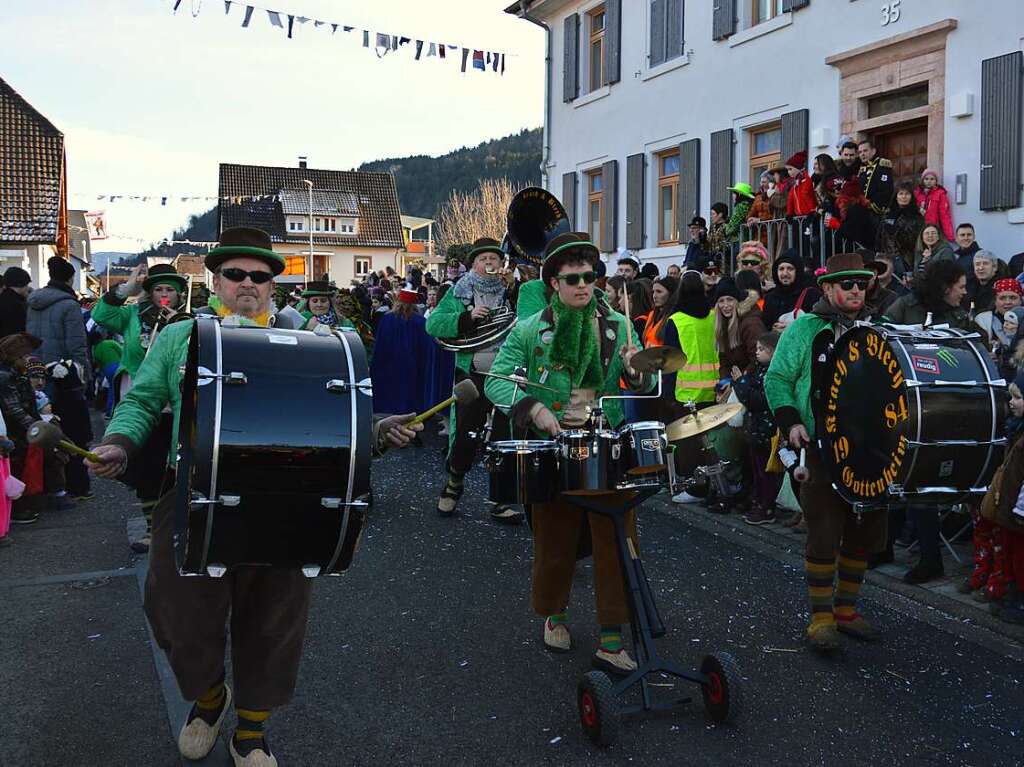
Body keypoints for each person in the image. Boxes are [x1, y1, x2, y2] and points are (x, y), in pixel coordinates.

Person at [85, 226, 422, 767]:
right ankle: (210, 697)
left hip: (288, 494)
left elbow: (343, 412)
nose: (248, 283)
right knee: (172, 608)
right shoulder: (179, 336)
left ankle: (252, 731)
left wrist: (378, 431)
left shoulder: (309, 338)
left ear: (273, 285)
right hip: (193, 486)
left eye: (260, 276)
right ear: (216, 281)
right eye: (235, 274)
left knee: (274, 616)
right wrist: (120, 443)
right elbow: (144, 399)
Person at [483, 231, 650, 675]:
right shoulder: (529, 328)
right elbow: (496, 380)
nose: (582, 285)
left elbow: (641, 385)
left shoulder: (620, 324)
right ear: (553, 282)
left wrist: (636, 372)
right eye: (572, 277)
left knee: (616, 538)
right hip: (553, 445)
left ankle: (612, 638)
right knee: (555, 540)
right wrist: (532, 408)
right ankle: (555, 614)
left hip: (606, 441)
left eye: (590, 276)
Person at [765, 252, 885, 651]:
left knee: (863, 533)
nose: (855, 290)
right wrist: (791, 422)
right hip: (819, 448)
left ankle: (846, 610)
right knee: (824, 532)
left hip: (868, 452)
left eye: (860, 284)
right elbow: (777, 378)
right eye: (846, 284)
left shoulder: (876, 329)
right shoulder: (804, 331)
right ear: (828, 289)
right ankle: (821, 619)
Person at [424, 237, 521, 523]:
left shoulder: (511, 290)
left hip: (506, 374)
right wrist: (467, 317)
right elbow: (433, 324)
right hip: (473, 373)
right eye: (483, 260)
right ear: (473, 265)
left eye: (494, 259)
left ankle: (500, 499)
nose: (489, 264)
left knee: (505, 437)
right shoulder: (459, 291)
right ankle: (453, 485)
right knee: (467, 432)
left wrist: (515, 289)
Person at [26, 256, 92, 502]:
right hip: (64, 375)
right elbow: (77, 345)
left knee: (44, 429)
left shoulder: (33, 303)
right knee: (73, 430)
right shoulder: (69, 305)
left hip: (36, 372)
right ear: (70, 278)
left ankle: (48, 487)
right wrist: (83, 376)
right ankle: (77, 486)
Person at [664, 272, 719, 504]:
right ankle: (716, 485)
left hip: (686, 391)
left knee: (688, 443)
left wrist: (667, 393)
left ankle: (696, 488)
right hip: (714, 388)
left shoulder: (675, 320)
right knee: (711, 442)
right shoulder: (714, 315)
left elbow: (670, 358)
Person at [734, 331, 782, 526]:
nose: (757, 353)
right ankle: (758, 501)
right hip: (757, 430)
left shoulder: (772, 373)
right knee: (757, 469)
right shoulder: (760, 370)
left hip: (767, 431)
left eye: (761, 349)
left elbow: (757, 400)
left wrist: (740, 381)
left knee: (766, 472)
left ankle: (767, 507)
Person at [370, 287, 431, 415]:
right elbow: (426, 349)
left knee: (389, 397)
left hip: (388, 365)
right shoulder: (421, 322)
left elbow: (380, 346)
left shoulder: (387, 320)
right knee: (409, 396)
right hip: (412, 366)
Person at [712, 277, 765, 381]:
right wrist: (725, 381)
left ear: (738, 301)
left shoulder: (751, 324)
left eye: (730, 300)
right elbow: (724, 361)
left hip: (752, 383)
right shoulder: (724, 323)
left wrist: (743, 379)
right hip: (736, 382)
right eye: (721, 301)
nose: (726, 305)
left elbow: (758, 358)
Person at [762, 249, 820, 331]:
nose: (785, 273)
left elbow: (817, 325)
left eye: (790, 269)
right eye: (781, 269)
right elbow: (765, 327)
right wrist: (773, 328)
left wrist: (793, 328)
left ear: (798, 271)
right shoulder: (770, 298)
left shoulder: (811, 295)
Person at [878, 182, 924, 271]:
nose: (904, 197)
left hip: (908, 260)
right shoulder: (888, 215)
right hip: (887, 260)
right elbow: (880, 237)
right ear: (896, 196)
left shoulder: (917, 217)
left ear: (911, 197)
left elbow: (919, 240)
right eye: (901, 194)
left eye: (907, 194)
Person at [856, 138, 895, 216]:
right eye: (860, 152)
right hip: (861, 211)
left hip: (875, 212)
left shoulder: (882, 166)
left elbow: (886, 189)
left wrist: (874, 206)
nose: (862, 154)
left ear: (873, 151)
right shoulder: (861, 169)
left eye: (865, 151)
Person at [914, 168, 955, 241]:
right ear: (922, 180)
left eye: (932, 179)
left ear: (936, 181)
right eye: (926, 179)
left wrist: (950, 236)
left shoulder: (940, 194)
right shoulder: (917, 193)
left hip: (933, 229)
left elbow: (944, 215)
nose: (929, 181)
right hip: (918, 229)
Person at [963, 249, 1001, 315]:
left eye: (985, 263)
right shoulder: (967, 285)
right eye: (977, 264)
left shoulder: (1001, 287)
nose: (980, 268)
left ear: (995, 267)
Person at [0, 266, 32, 337]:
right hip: (13, 345)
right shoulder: (17, 305)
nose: (28, 288)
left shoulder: (3, 299)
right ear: (19, 284)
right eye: (26, 285)